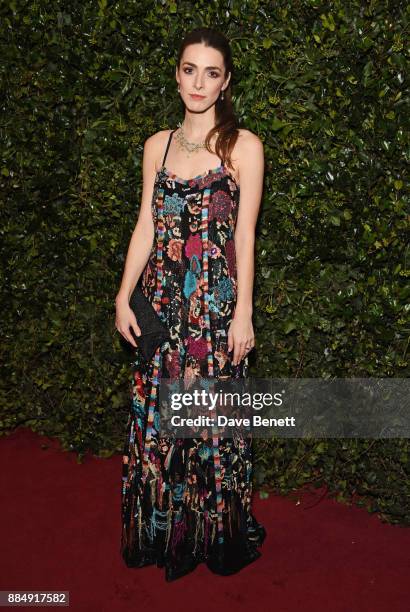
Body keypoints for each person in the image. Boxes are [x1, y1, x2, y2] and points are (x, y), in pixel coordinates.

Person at [115, 26, 266, 582]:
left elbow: (245, 238)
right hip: (160, 309)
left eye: (211, 72)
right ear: (177, 74)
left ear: (225, 82)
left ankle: (213, 534)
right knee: (157, 422)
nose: (198, 82)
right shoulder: (157, 145)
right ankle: (161, 532)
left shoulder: (243, 147)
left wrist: (243, 313)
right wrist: (121, 294)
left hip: (214, 311)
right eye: (188, 69)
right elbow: (145, 228)